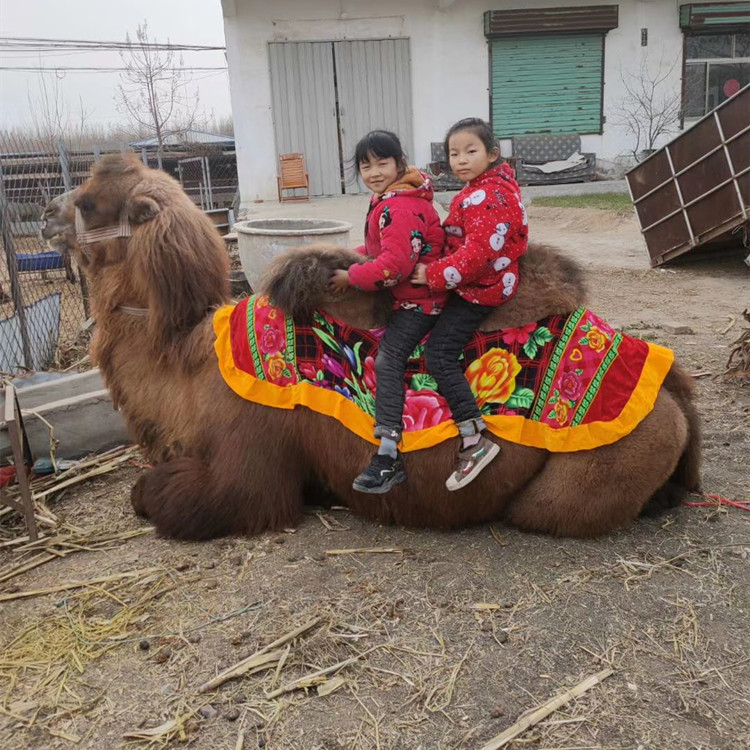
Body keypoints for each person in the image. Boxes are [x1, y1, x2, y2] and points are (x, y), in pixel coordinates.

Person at [410, 117, 529, 490]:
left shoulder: (487, 197)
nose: (460, 160)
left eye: (470, 151)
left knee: (440, 354)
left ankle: (474, 437)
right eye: (453, 153)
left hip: (481, 287)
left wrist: (431, 276)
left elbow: (476, 256)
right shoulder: (481, 189)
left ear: (492, 153)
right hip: (476, 276)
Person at [328, 130, 446, 494]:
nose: (374, 171)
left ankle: (388, 454)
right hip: (407, 296)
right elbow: (382, 246)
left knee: (388, 360)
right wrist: (353, 253)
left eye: (382, 163)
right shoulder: (390, 199)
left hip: (419, 302)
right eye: (366, 165)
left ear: (399, 163)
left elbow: (393, 265)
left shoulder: (399, 206)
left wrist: (351, 275)